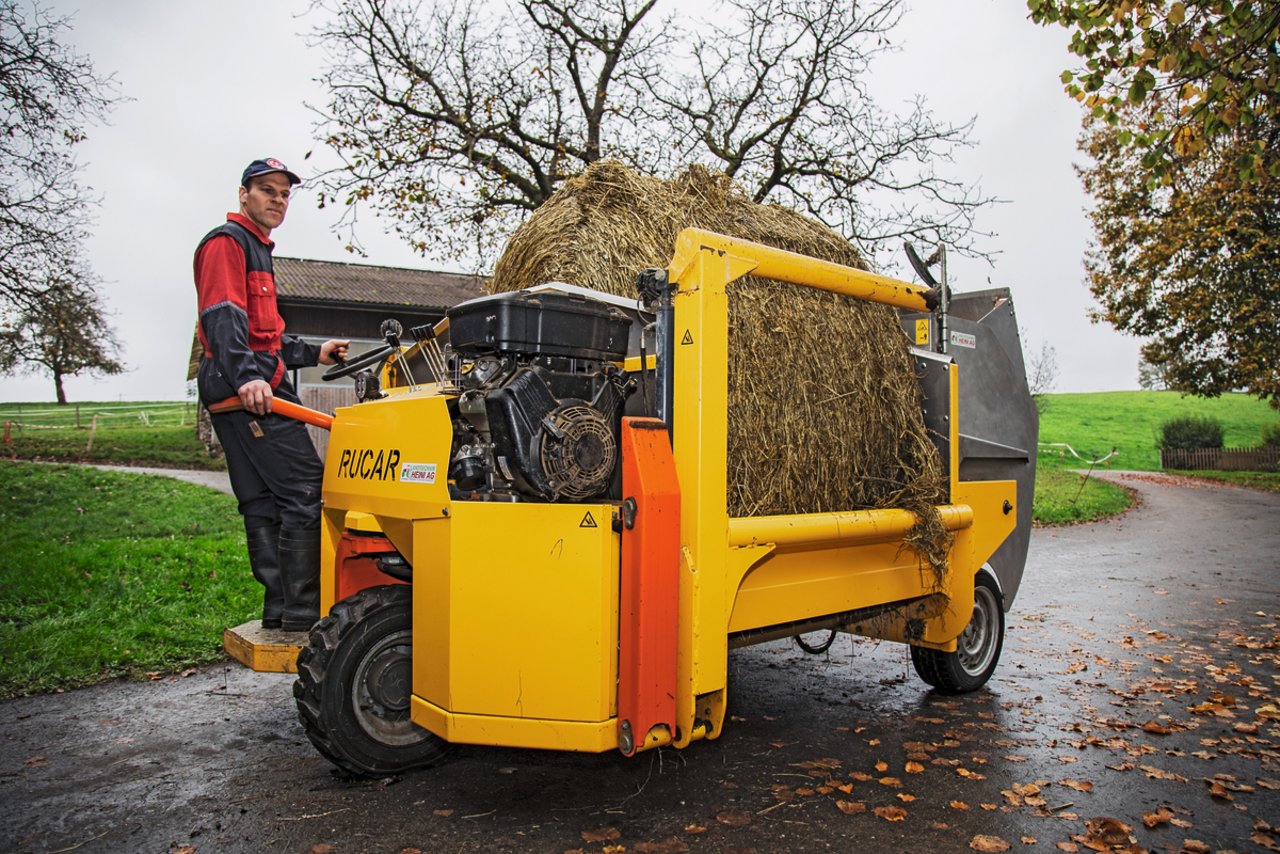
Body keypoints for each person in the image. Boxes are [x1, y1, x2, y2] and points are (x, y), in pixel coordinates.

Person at [193, 157, 349, 632]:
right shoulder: (228, 243)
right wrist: (246, 378)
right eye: (267, 190)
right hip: (247, 393)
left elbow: (264, 337)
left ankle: (281, 610)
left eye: (284, 194)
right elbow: (222, 317)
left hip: (239, 389)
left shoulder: (258, 251)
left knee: (262, 501)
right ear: (244, 194)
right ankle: (307, 612)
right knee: (306, 488)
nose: (277, 200)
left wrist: (314, 353)